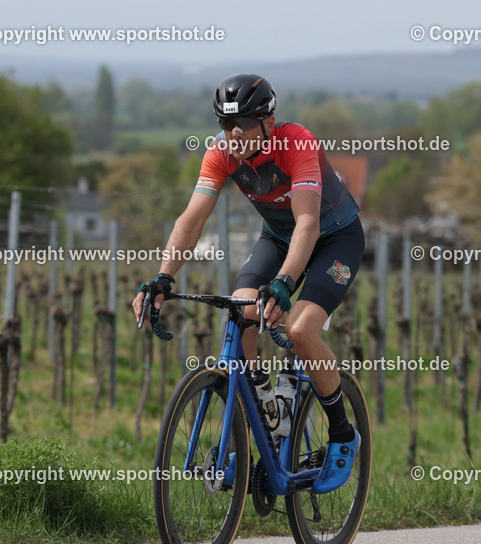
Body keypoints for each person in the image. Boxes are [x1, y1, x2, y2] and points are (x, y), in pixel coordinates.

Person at [132, 73, 365, 493]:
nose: (233, 134)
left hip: (334, 240)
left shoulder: (297, 143)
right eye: (225, 125)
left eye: (242, 124)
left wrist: (283, 282)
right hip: (278, 239)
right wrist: (164, 275)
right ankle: (265, 412)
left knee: (300, 329)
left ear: (269, 123)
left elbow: (308, 223)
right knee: (240, 313)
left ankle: (343, 433)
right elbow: (192, 219)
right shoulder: (221, 155)